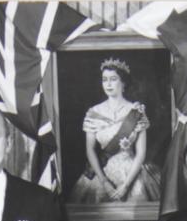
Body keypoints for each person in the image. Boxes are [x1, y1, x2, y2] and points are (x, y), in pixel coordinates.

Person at [68, 58, 161, 204]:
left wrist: (126, 185)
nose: (108, 84)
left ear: (123, 83)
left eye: (113, 79)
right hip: (101, 172)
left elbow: (141, 153)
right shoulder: (94, 113)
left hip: (132, 172)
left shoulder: (136, 111)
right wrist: (104, 182)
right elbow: (90, 150)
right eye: (104, 80)